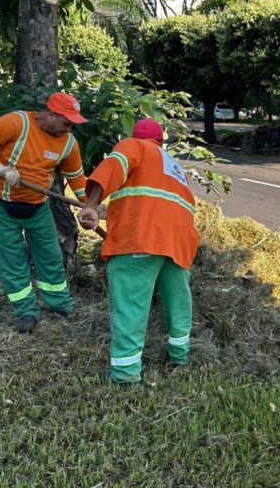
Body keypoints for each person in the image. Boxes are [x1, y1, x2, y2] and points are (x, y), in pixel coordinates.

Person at [77, 118, 199, 385]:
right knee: (178, 301)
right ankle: (180, 355)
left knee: (130, 303)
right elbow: (154, 203)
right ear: (161, 142)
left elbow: (113, 168)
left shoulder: (134, 147)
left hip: (142, 239)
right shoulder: (175, 167)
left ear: (136, 136)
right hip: (179, 242)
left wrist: (91, 205)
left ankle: (124, 373)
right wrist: (106, 215)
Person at [0, 92, 90, 333]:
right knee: (11, 261)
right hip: (3, 205)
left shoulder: (68, 143)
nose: (70, 128)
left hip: (38, 206)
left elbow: (76, 178)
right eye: (67, 122)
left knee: (51, 257)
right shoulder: (16, 122)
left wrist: (89, 204)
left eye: (73, 124)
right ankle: (26, 311)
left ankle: (61, 305)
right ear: (51, 114)